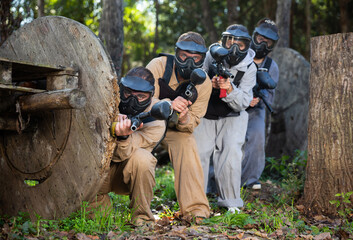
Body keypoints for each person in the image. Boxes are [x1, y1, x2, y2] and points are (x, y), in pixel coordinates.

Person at [146, 31, 212, 222]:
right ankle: (140, 212)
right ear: (176, 53)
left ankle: (196, 210)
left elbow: (193, 122)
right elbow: (140, 100)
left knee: (187, 143)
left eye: (195, 58)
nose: (189, 62)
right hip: (148, 123)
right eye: (184, 56)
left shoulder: (204, 83)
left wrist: (184, 118)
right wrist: (166, 103)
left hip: (175, 130)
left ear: (202, 59)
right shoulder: (158, 66)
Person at [90, 67, 167, 226]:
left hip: (123, 174)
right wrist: (108, 117)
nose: (133, 100)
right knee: (98, 222)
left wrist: (123, 135)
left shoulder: (156, 119)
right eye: (128, 93)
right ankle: (100, 206)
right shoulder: (105, 98)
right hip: (93, 172)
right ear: (121, 89)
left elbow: (121, 155)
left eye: (140, 96)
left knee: (142, 159)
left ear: (150, 96)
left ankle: (142, 219)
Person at [193, 24, 257, 213]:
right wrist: (209, 84)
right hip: (206, 112)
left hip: (233, 116)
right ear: (223, 40)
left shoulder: (250, 68)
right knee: (199, 153)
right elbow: (197, 78)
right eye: (230, 41)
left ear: (247, 45)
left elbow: (244, 102)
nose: (235, 48)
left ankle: (230, 202)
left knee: (230, 155)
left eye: (241, 44)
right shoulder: (211, 54)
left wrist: (229, 88)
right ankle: (196, 201)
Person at [241, 18, 280, 190]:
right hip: (232, 106)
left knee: (257, 139)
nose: (263, 44)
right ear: (254, 36)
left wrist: (256, 99)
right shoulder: (241, 56)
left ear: (272, 45)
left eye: (268, 42)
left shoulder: (272, 66)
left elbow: (269, 95)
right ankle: (216, 181)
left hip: (256, 110)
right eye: (260, 39)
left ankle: (249, 180)